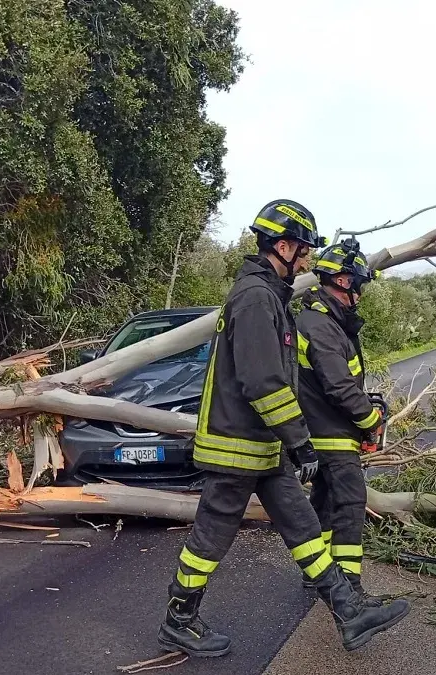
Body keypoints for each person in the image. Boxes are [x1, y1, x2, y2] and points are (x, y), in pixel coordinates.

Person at [157, 200, 411, 658]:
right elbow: (263, 382)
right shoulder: (256, 298)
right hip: (238, 445)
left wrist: (289, 442)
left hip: (261, 446)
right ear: (284, 245)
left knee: (305, 525)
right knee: (212, 536)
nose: (308, 261)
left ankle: (348, 613)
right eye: (305, 252)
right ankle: (179, 618)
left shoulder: (269, 296)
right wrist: (301, 441)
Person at [293, 238, 395, 609]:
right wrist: (370, 421)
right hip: (331, 435)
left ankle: (317, 574)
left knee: (323, 502)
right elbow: (337, 386)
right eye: (359, 285)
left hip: (320, 431)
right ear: (343, 282)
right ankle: (349, 588)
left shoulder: (324, 322)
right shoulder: (320, 326)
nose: (361, 295)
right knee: (351, 504)